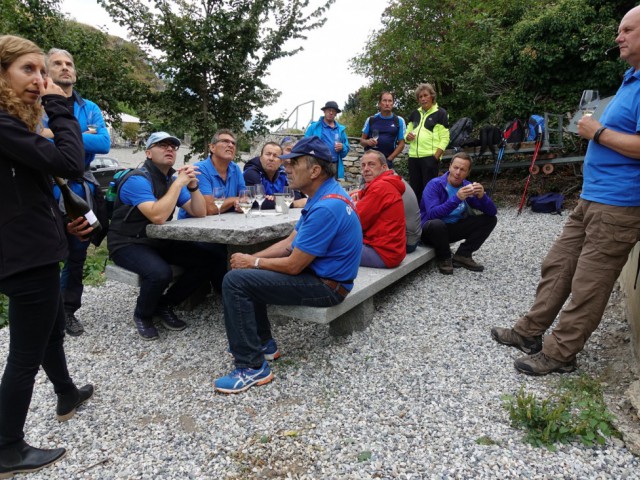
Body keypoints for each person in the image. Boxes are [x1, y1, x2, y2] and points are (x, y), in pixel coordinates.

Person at [491, 6, 640, 376]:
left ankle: (560, 354)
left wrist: (598, 132)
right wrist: (591, 124)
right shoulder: (629, 80)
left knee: (590, 284)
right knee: (558, 264)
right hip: (592, 197)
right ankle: (529, 332)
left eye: (627, 30)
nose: (618, 37)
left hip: (620, 204)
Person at [0, 35, 94, 478]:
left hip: (35, 247)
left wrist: (62, 224)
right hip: (25, 256)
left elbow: (24, 194)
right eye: (28, 70)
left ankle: (66, 393)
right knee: (24, 354)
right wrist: (59, 105)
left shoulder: (13, 125)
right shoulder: (3, 125)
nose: (39, 79)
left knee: (52, 327)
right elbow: (71, 163)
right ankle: (7, 447)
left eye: (42, 71)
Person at [214, 136, 362, 394]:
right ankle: (264, 345)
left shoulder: (326, 207)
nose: (286, 168)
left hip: (329, 286)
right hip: (320, 275)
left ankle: (251, 367)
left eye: (293, 163)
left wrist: (254, 261)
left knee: (236, 282)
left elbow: (293, 265)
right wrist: (251, 260)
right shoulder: (322, 195)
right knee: (246, 274)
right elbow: (288, 243)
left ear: (315, 171)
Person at [107, 132, 225, 340]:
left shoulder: (171, 180)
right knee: (160, 273)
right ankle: (143, 315)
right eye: (162, 145)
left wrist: (193, 186)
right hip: (127, 242)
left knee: (208, 259)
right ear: (148, 153)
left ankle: (165, 304)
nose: (169, 148)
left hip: (158, 241)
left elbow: (199, 212)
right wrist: (178, 184)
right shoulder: (137, 179)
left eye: (173, 146)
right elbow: (158, 216)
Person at [41, 48, 111, 337]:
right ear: (47, 71)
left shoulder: (89, 107)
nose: (65, 67)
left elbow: (104, 143)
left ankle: (67, 311)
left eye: (69, 63)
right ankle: (44, 312)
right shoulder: (36, 104)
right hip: (45, 186)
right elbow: (35, 139)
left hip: (79, 187)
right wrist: (83, 135)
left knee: (77, 252)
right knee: (45, 253)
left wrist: (55, 133)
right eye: (57, 63)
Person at [420, 152, 497, 275]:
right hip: (431, 231)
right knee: (436, 224)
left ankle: (463, 255)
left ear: (468, 172)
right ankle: (444, 258)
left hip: (451, 229)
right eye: (455, 167)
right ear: (450, 166)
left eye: (462, 170)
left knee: (490, 220)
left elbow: (492, 212)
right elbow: (432, 214)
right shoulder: (435, 185)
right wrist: (456, 198)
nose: (457, 172)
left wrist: (482, 197)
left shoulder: (467, 186)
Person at [354, 150, 406, 268]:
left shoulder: (380, 187)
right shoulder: (386, 182)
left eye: (371, 164)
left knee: (324, 245)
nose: (366, 169)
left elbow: (356, 221)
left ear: (384, 167)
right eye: (363, 165)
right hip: (393, 250)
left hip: (382, 253)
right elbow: (361, 195)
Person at [178, 129, 245, 219]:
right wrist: (234, 200)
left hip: (224, 221)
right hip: (194, 225)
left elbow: (245, 197)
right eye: (225, 141)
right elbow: (209, 209)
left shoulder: (235, 168)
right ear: (212, 147)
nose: (231, 145)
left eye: (233, 143)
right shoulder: (199, 169)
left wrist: (241, 204)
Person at [405, 83, 450, 199]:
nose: (423, 99)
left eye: (425, 95)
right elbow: (406, 134)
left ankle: (430, 210)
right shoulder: (414, 114)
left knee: (429, 191)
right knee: (415, 190)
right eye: (420, 97)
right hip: (413, 158)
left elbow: (445, 138)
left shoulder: (440, 113)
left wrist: (436, 157)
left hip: (430, 158)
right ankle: (417, 211)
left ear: (432, 96)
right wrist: (407, 137)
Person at [243, 141, 306, 209]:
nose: (271, 158)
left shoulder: (283, 173)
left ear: (281, 161)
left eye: (275, 156)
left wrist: (275, 198)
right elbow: (257, 202)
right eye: (268, 154)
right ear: (260, 158)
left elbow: (296, 195)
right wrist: (293, 204)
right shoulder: (251, 173)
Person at [360, 91, 406, 169]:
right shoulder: (371, 119)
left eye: (390, 101)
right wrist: (367, 142)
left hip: (387, 162)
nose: (387, 103)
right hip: (370, 162)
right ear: (379, 103)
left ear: (393, 103)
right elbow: (362, 141)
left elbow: (401, 144)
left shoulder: (399, 121)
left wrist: (389, 159)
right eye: (384, 100)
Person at [304, 101, 350, 179]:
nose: (331, 113)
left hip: (334, 165)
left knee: (332, 186)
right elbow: (305, 144)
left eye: (333, 111)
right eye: (329, 110)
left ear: (336, 114)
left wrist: (342, 147)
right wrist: (313, 153)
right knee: (317, 186)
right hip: (318, 164)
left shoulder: (340, 129)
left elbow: (346, 149)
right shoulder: (314, 127)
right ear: (324, 111)